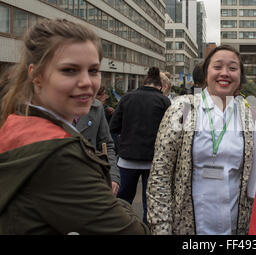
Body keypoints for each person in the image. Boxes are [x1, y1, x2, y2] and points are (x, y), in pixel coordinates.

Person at [0, 19, 149, 234]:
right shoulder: (60, 156)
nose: (87, 82)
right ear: (36, 75)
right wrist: (114, 201)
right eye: (70, 70)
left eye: (93, 70)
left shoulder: (15, 121)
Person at [147, 45, 256, 235]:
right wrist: (161, 227)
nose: (225, 73)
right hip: (189, 227)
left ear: (240, 76)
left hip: (235, 226)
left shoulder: (248, 115)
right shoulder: (183, 109)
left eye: (233, 68)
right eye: (218, 67)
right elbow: (160, 174)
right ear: (206, 72)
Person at [109, 67, 171, 224]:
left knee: (123, 201)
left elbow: (114, 127)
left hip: (127, 159)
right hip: (153, 161)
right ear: (161, 86)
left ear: (145, 82)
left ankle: (122, 228)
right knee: (149, 203)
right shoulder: (164, 101)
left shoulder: (127, 98)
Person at [75, 97, 120, 195]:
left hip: (90, 183)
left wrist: (112, 176)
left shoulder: (96, 106)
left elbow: (106, 145)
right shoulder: (46, 106)